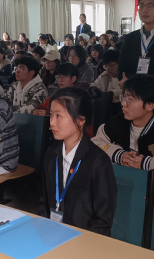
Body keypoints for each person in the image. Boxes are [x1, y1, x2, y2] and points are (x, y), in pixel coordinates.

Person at [43, 87, 116, 236]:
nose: (52, 122)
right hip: (51, 234)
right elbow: (42, 200)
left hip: (84, 240)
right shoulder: (51, 153)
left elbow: (103, 219)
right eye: (51, 114)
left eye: (58, 116)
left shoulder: (98, 161)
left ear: (81, 120)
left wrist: (82, 243)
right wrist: (43, 231)